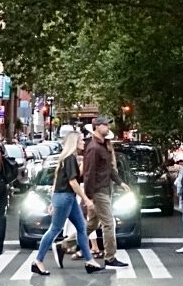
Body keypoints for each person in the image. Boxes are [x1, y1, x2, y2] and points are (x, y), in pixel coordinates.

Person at [30, 131, 104, 275]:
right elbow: (73, 182)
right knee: (55, 229)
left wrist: (53, 200)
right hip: (65, 197)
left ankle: (90, 261)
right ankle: (38, 261)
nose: (84, 142)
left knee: (82, 227)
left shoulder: (69, 158)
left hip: (65, 197)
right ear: (74, 142)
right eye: (82, 140)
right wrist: (86, 199)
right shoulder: (69, 158)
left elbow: (58, 181)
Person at [82, 117, 129, 268]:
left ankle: (63, 245)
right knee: (109, 224)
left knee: (91, 225)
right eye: (105, 124)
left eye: (108, 124)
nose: (108, 126)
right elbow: (89, 174)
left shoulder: (103, 146)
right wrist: (88, 197)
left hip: (104, 189)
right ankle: (110, 257)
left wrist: (120, 182)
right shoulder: (93, 148)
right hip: (98, 191)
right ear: (96, 127)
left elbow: (108, 169)